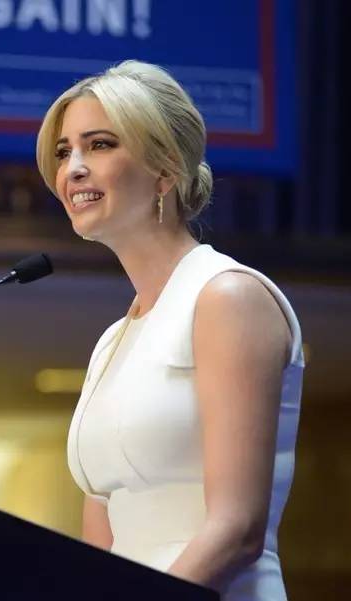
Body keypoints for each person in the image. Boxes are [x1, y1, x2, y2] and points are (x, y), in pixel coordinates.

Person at [35, 60, 303, 600]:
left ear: (165, 170)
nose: (73, 169)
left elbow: (236, 531)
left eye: (100, 145)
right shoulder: (112, 341)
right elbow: (100, 545)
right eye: (64, 152)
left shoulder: (228, 297)